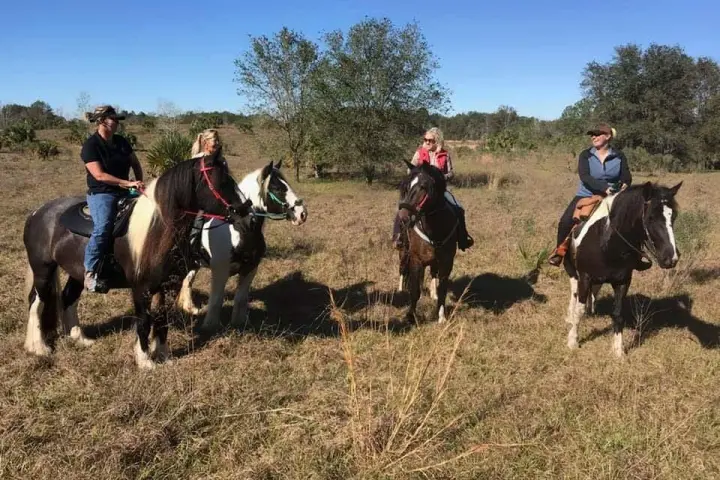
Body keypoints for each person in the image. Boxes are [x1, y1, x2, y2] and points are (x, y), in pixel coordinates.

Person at [547, 123, 651, 270]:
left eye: (597, 134)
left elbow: (626, 176)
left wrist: (624, 185)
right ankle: (559, 252)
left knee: (633, 221)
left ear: (607, 136)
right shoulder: (586, 155)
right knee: (565, 221)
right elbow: (585, 177)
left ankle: (636, 257)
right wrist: (604, 188)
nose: (593, 137)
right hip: (586, 195)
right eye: (592, 135)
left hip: (614, 197)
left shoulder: (619, 156)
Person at [81, 105, 144, 292]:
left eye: (117, 119)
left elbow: (134, 162)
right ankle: (90, 272)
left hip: (126, 190)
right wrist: (127, 183)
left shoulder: (121, 142)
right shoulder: (90, 146)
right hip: (102, 192)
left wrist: (138, 181)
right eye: (113, 119)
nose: (117, 122)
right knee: (103, 227)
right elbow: (99, 175)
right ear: (102, 121)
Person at [392, 127, 474, 251]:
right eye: (425, 139)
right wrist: (418, 175)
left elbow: (451, 173)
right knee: (403, 208)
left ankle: (463, 239)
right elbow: (410, 170)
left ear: (437, 141)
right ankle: (399, 237)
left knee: (458, 208)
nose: (426, 142)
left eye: (430, 140)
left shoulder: (445, 155)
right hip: (420, 189)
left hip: (440, 190)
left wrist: (440, 177)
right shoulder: (419, 153)